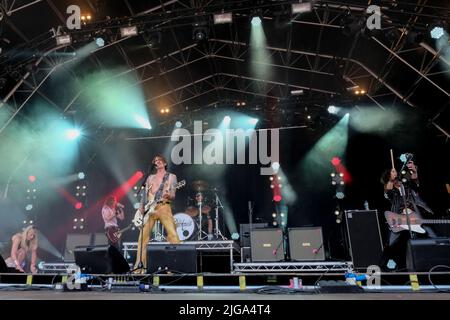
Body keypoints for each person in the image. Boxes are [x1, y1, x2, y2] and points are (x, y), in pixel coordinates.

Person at [380, 157, 436, 271]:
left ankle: (425, 266)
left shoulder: (407, 186)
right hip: (399, 219)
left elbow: (415, 181)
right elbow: (388, 191)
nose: (395, 176)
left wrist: (414, 171)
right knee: (392, 244)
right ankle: (387, 268)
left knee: (428, 238)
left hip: (414, 218)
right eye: (392, 173)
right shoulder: (389, 188)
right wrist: (391, 179)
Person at [134, 155, 180, 273]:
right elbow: (144, 193)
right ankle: (140, 268)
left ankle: (176, 267)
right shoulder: (150, 177)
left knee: (173, 235)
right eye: (155, 161)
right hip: (150, 209)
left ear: (164, 163)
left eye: (159, 160)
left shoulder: (171, 177)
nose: (157, 162)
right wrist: (141, 206)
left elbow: (173, 194)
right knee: (142, 238)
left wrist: (169, 195)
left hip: (164, 206)